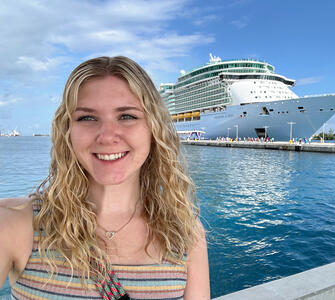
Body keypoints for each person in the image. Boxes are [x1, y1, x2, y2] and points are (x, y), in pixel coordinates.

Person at [0, 56, 210, 299]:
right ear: (67, 132)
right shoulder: (16, 225)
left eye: (127, 116)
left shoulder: (186, 235)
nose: (107, 136)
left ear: (154, 129)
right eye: (87, 118)